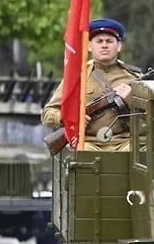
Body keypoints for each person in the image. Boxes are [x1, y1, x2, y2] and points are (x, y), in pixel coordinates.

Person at [41, 19, 140, 151]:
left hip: (125, 141)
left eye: (109, 41)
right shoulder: (77, 77)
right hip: (88, 141)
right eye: (99, 41)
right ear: (89, 46)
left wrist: (131, 100)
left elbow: (151, 117)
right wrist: (70, 118)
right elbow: (48, 113)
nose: (104, 45)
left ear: (119, 46)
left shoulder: (134, 77)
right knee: (84, 153)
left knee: (140, 154)